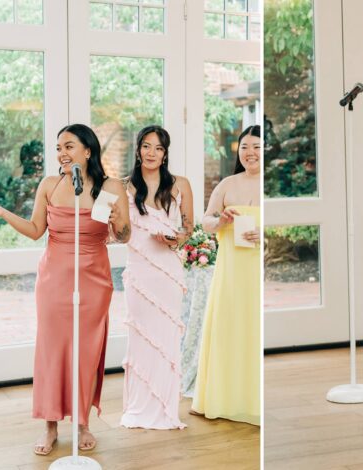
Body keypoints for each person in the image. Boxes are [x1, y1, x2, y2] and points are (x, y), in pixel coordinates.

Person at [0, 124, 131, 455]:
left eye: (69, 146)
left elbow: (124, 235)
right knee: (52, 350)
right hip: (54, 279)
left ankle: (82, 423)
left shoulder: (110, 187)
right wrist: (3, 212)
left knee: (87, 351)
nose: (62, 153)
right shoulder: (49, 185)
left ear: (88, 150)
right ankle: (50, 424)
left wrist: (118, 220)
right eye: (58, 147)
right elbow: (35, 230)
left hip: (94, 279)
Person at [120, 125, 194, 429]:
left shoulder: (180, 184)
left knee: (166, 339)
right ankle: (138, 407)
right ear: (138, 150)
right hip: (139, 273)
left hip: (168, 272)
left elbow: (188, 229)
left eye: (159, 148)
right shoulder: (120, 187)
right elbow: (116, 231)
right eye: (146, 146)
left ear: (165, 154)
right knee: (140, 336)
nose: (152, 153)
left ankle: (165, 409)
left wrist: (175, 239)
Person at [191, 125, 262, 425]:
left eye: (257, 146)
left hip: (259, 268)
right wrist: (220, 220)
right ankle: (224, 398)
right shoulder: (227, 184)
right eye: (244, 147)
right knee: (229, 327)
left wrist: (265, 232)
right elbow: (205, 222)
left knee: (254, 329)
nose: (250, 152)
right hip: (231, 270)